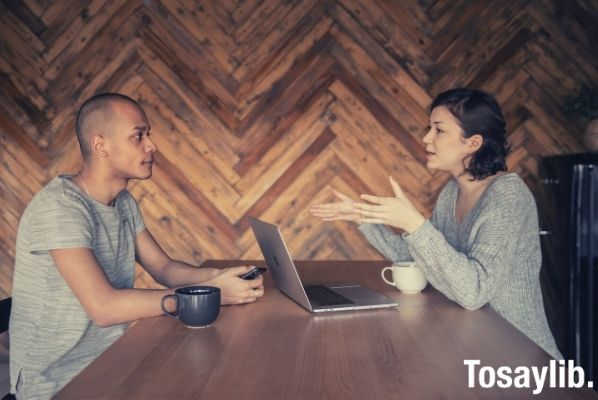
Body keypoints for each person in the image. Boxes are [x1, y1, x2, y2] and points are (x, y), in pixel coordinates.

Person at [9, 93, 265, 399]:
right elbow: (103, 308)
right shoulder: (60, 208)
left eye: (148, 135)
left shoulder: (123, 203)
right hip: (60, 383)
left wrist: (219, 277)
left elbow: (165, 268)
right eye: (138, 136)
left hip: (111, 363)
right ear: (100, 145)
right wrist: (209, 296)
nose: (151, 146)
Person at [311, 88, 562, 360]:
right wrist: (365, 219)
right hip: (475, 344)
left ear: (473, 143)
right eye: (429, 128)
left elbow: (473, 292)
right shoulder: (451, 193)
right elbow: (422, 260)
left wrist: (415, 225)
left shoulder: (507, 196)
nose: (426, 138)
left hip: (520, 358)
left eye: (438, 130)